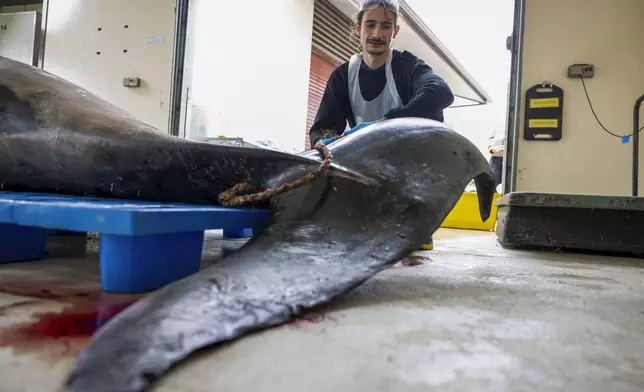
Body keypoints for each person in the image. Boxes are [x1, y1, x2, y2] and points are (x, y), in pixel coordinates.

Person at [308, 0, 455, 250]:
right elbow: (323, 129)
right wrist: (326, 143)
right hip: (366, 166)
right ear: (358, 28)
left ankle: (416, 221)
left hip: (410, 170)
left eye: (386, 26)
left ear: (395, 32)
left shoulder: (407, 67)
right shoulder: (342, 76)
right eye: (371, 24)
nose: (377, 34)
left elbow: (440, 92)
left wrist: (387, 122)